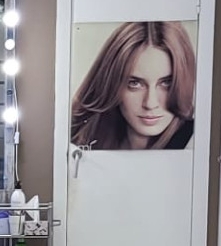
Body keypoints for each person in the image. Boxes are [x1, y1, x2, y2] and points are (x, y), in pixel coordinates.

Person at [67, 21, 196, 150]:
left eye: (166, 83)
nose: (150, 104)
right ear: (111, 83)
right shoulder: (79, 139)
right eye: (135, 83)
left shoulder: (196, 143)